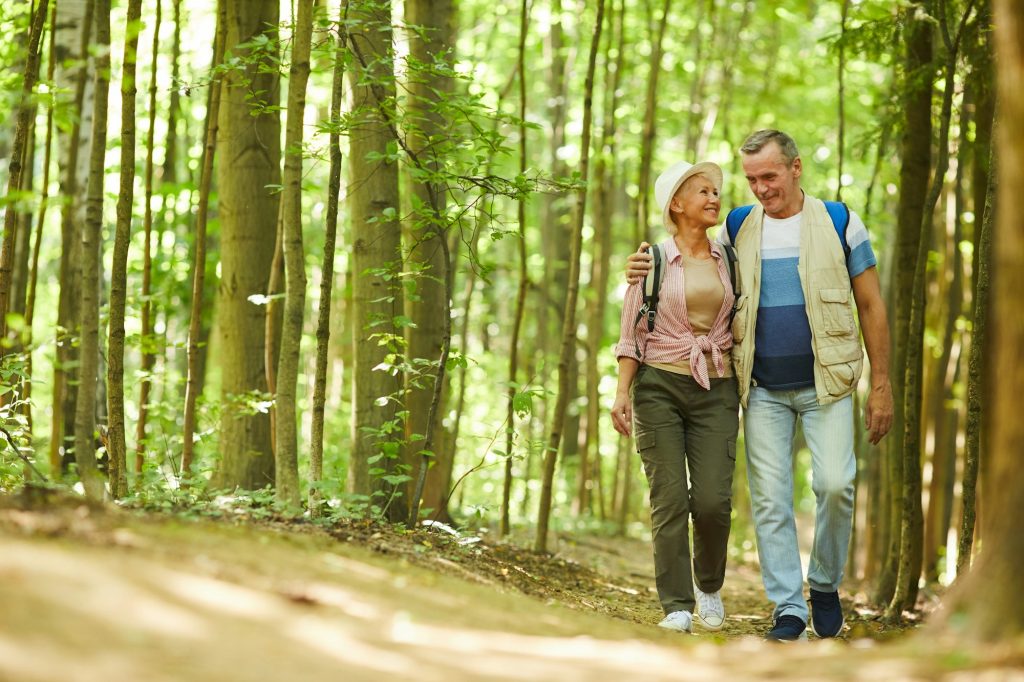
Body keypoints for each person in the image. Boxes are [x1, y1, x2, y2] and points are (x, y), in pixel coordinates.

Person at [625, 130, 894, 642]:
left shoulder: (840, 222)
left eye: (769, 176)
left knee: (835, 485)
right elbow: (689, 255)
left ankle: (824, 585)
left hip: (828, 382)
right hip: (761, 387)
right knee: (770, 501)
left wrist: (881, 384)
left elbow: (872, 306)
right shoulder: (738, 226)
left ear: (795, 169)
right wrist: (641, 264)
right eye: (751, 180)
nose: (760, 189)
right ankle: (788, 607)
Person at [611, 159, 740, 634]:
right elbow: (630, 334)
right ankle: (677, 605)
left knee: (711, 500)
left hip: (715, 385)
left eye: (714, 192)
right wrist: (622, 392)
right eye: (702, 192)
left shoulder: (729, 256)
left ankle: (708, 586)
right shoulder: (653, 260)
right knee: (669, 499)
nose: (713, 198)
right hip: (658, 388)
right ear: (677, 204)